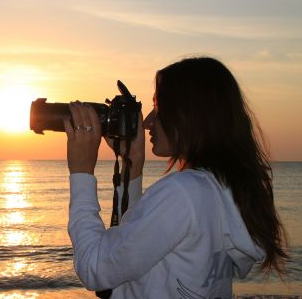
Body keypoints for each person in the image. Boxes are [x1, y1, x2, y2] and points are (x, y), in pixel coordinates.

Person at [63, 57, 288, 298]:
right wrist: (132, 168)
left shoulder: (184, 193)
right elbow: (135, 248)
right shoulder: (222, 191)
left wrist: (82, 173)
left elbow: (94, 268)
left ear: (189, 115)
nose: (148, 122)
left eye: (158, 108)